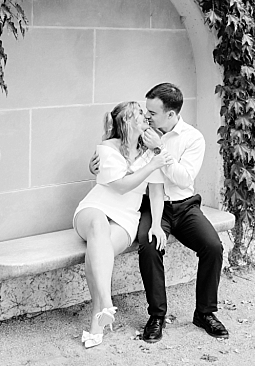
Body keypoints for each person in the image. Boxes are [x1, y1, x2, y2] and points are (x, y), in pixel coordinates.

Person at [89, 83, 229, 343]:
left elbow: (182, 177)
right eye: (147, 111)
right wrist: (95, 164)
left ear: (171, 114)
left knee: (213, 247)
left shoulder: (192, 138)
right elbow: (117, 149)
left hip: (185, 205)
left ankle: (205, 313)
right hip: (152, 207)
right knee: (150, 246)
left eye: (153, 112)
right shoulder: (143, 130)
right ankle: (157, 316)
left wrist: (158, 149)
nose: (148, 115)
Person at [73, 102, 171, 348]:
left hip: (126, 218)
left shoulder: (152, 151)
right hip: (95, 207)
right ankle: (105, 302)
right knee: (98, 226)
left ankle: (101, 313)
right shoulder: (107, 148)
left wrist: (157, 224)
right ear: (127, 121)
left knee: (97, 250)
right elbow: (120, 185)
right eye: (139, 113)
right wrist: (152, 164)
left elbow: (157, 192)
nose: (145, 116)